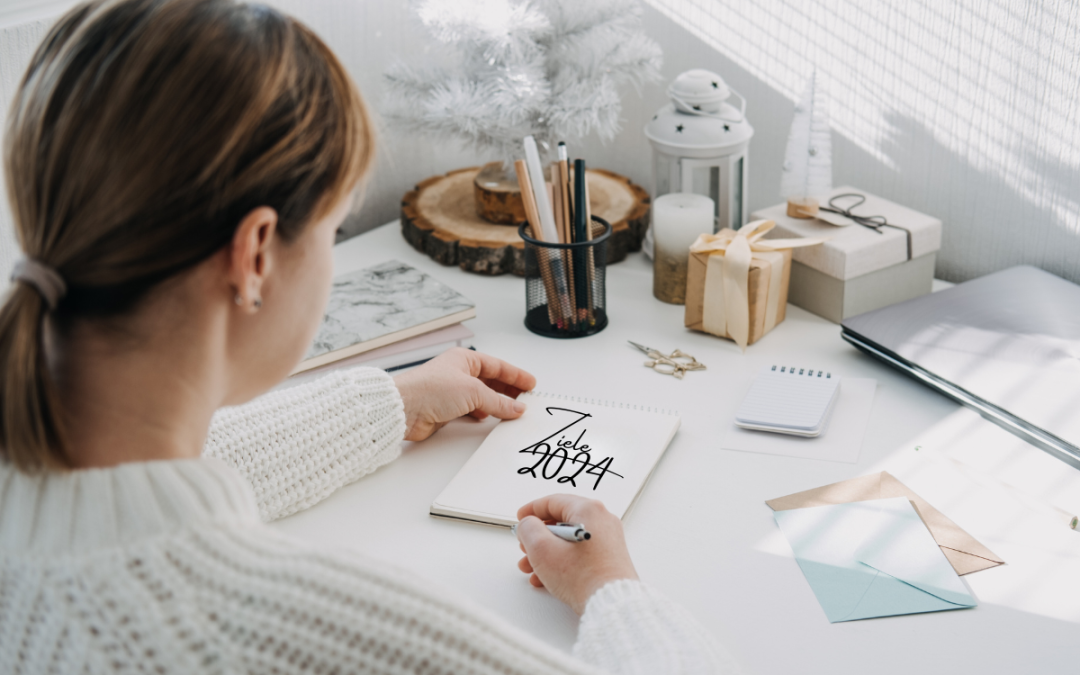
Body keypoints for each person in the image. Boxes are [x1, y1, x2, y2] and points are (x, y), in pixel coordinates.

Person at [0, 1, 742, 673]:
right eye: (334, 228)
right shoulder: (283, 630)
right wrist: (612, 590)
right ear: (256, 254)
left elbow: (154, 486)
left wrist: (393, 402)